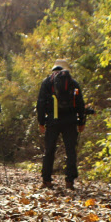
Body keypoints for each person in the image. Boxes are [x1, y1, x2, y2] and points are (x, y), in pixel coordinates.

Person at [36, 59, 86, 190]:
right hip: (70, 120)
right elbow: (80, 103)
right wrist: (81, 121)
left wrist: (41, 122)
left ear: (53, 70)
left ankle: (46, 180)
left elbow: (40, 103)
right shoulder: (73, 83)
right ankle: (70, 181)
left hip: (53, 120)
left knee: (49, 150)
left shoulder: (47, 82)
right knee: (71, 151)